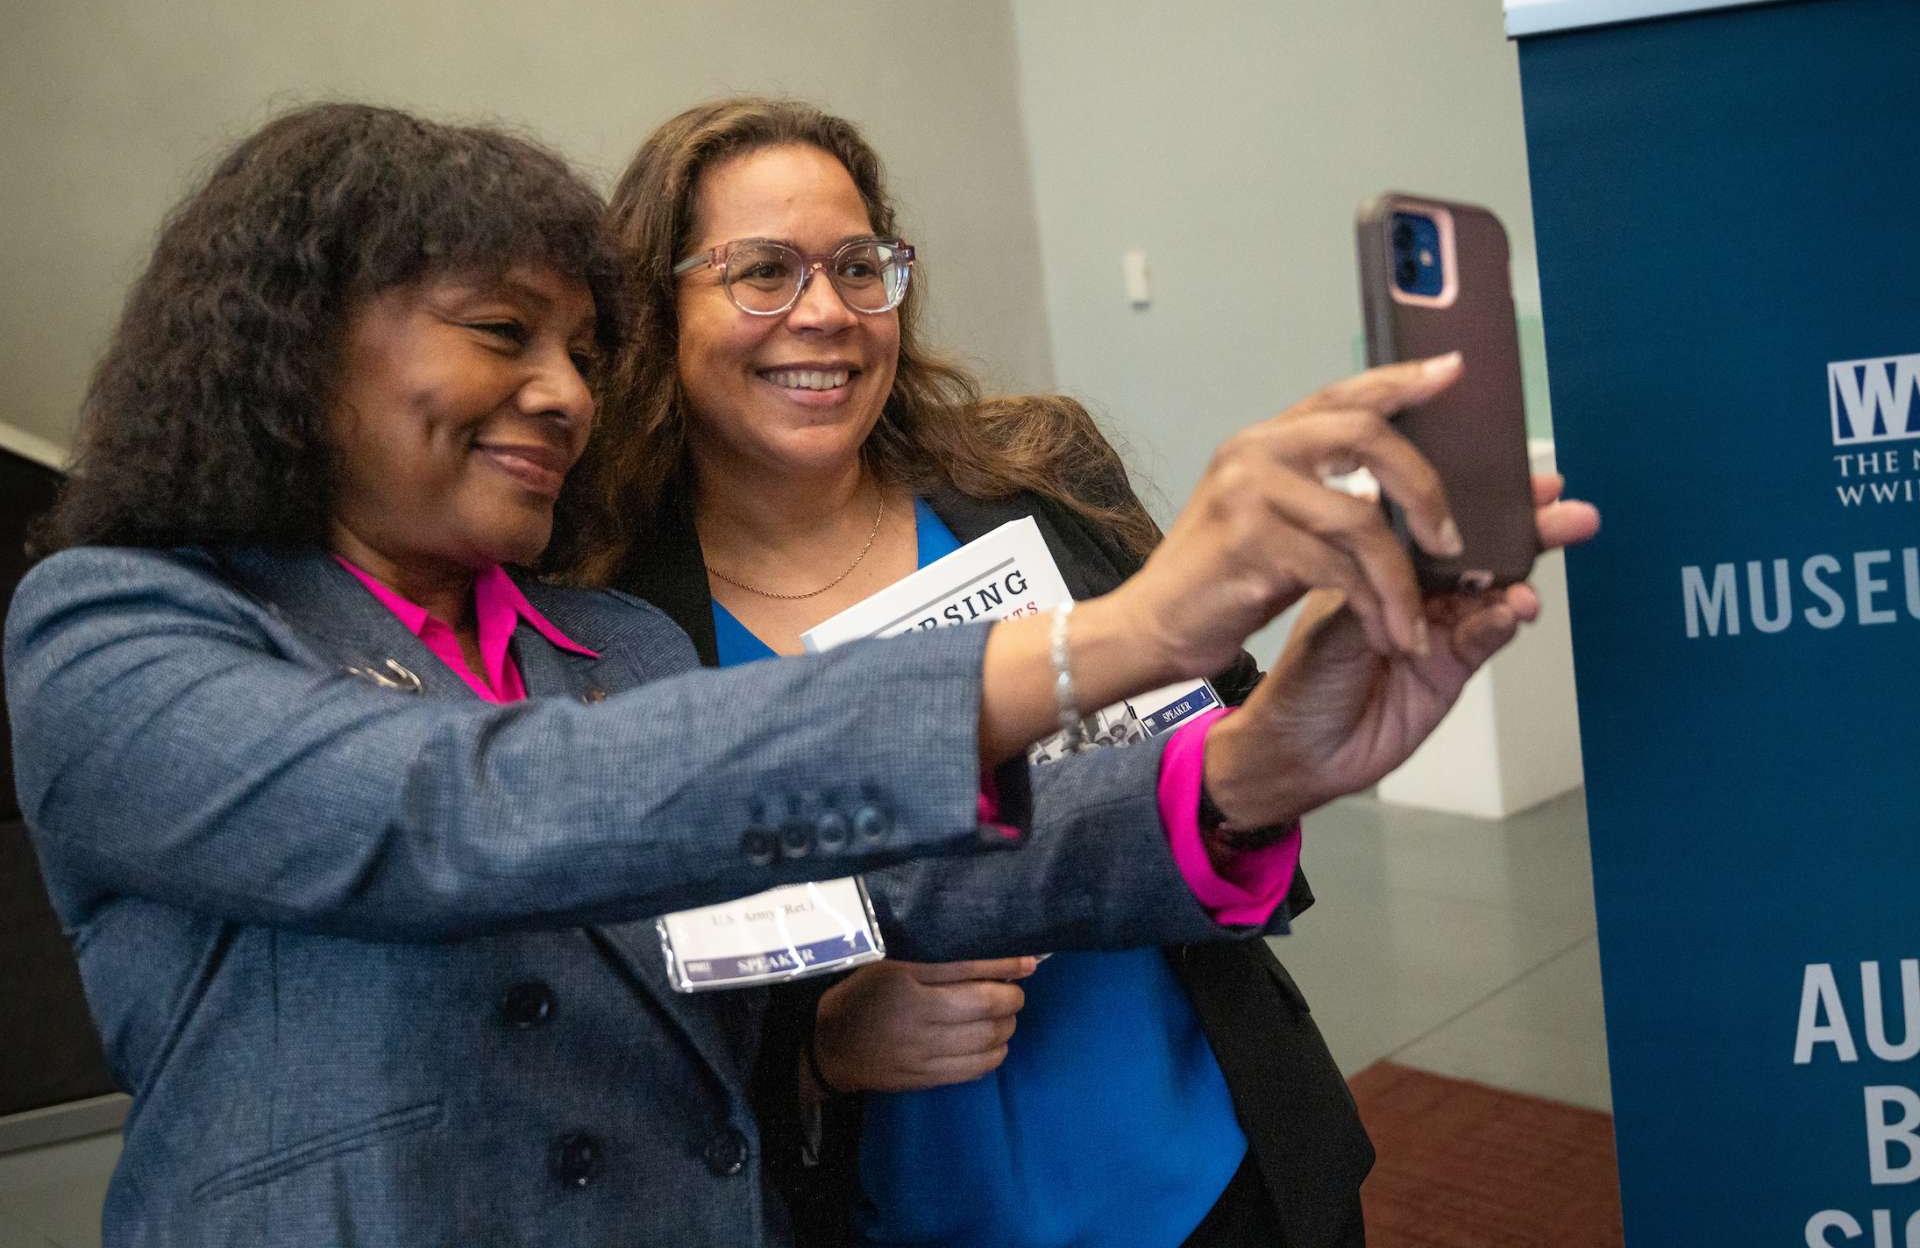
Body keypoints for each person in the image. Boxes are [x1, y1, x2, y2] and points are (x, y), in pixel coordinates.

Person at [5, 102, 1579, 1248]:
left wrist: (1251, 768)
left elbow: (891, 879)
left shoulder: (602, 648)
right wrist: (1125, 634)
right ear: (290, 351)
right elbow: (458, 814)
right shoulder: (117, 629)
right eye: (502, 333)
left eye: (576, 346)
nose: (558, 392)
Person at [589, 98, 1599, 1247]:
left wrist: (1312, 690)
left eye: (860, 265)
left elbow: (1227, 746)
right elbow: (608, 1030)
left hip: (1215, 1170)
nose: (824, 311)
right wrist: (817, 1053)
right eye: (762, 270)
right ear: (655, 305)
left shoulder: (1035, 475)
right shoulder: (610, 629)